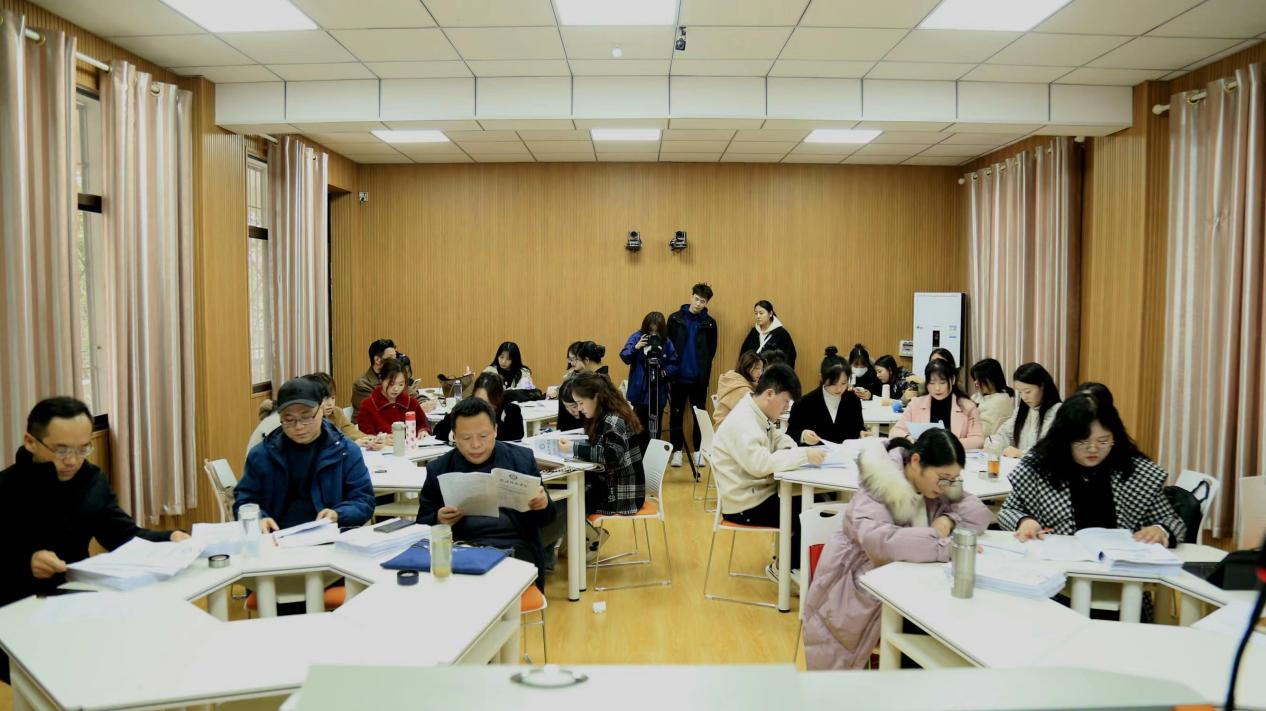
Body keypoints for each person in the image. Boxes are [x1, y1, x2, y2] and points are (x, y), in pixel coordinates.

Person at [802, 431, 991, 669]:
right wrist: (941, 546)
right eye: (943, 478)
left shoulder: (936, 487)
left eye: (953, 480)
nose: (946, 487)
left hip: (910, 582)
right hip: (856, 586)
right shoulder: (879, 485)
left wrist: (949, 519)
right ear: (916, 462)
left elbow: (978, 516)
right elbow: (881, 541)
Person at [0, 398, 190, 611]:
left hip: (74, 598)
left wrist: (169, 537)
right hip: (13, 607)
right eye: (61, 450)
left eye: (83, 449)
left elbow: (122, 535)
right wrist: (26, 563)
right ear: (30, 442)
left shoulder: (91, 480)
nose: (72, 461)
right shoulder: (5, 487)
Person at [998, 392, 1185, 546]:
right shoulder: (1041, 466)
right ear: (1064, 439)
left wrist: (1160, 530)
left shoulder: (1134, 470)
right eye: (1082, 441)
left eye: (1103, 441)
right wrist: (1025, 521)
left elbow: (1172, 521)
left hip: (1121, 568)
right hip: (1059, 564)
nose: (1093, 449)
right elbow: (1008, 510)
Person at [416, 397, 555, 589]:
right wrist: (439, 519)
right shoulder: (439, 469)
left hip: (515, 548)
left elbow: (548, 519)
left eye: (483, 436)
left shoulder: (521, 459)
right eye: (466, 438)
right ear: (454, 436)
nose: (475, 445)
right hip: (462, 550)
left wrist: (543, 504)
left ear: (495, 430)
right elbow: (421, 524)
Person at [711, 364, 827, 580]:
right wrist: (803, 455)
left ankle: (792, 565)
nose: (786, 408)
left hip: (755, 493)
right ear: (770, 394)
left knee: (819, 502)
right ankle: (786, 568)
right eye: (785, 402)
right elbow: (760, 465)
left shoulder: (756, 412)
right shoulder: (744, 421)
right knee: (811, 512)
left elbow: (777, 438)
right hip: (744, 505)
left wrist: (793, 448)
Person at [234, 378, 376, 533]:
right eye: (289, 420)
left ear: (321, 410)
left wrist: (338, 514)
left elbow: (364, 501)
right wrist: (259, 519)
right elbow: (244, 500)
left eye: (306, 417)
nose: (299, 426)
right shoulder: (262, 455)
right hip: (276, 538)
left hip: (331, 538)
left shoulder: (345, 451)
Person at [557, 372, 646, 517]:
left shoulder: (613, 420)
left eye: (581, 403)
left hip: (621, 496)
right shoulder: (604, 416)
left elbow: (610, 456)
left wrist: (574, 448)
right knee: (569, 499)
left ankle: (581, 531)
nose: (579, 408)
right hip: (614, 487)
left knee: (567, 505)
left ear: (596, 397)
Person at [246, 372, 378, 460]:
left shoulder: (333, 417)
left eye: (332, 398)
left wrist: (372, 439)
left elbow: (350, 432)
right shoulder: (274, 430)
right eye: (289, 419)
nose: (329, 403)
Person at [667, 283, 718, 468]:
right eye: (696, 299)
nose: (698, 304)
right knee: (676, 415)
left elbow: (711, 350)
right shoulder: (675, 319)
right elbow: (668, 345)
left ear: (706, 303)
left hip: (698, 379)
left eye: (702, 301)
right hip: (678, 377)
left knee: (699, 415)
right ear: (691, 297)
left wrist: (702, 369)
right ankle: (677, 452)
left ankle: (698, 451)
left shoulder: (710, 323)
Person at [889, 359, 984, 449]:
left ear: (953, 380)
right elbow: (895, 432)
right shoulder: (915, 404)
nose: (937, 388)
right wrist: (909, 439)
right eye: (932, 383)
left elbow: (978, 440)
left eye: (942, 383)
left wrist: (948, 443)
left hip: (955, 457)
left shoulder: (968, 406)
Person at [620, 311, 679, 447]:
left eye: (656, 330)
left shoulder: (666, 341)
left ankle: (653, 456)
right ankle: (639, 457)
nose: (653, 333)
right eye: (650, 330)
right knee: (638, 429)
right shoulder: (637, 337)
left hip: (658, 392)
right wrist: (636, 347)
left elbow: (675, 363)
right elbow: (624, 356)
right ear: (645, 327)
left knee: (655, 429)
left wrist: (664, 372)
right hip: (640, 393)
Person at [787, 348, 866, 445]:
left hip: (846, 453)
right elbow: (790, 434)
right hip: (815, 454)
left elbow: (858, 427)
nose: (839, 389)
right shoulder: (804, 403)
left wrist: (862, 433)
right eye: (833, 384)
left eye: (843, 383)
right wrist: (803, 436)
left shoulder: (853, 401)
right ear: (822, 378)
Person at [986, 362, 1062, 457]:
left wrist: (1022, 454)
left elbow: (1051, 449)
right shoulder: (1021, 411)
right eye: (1020, 392)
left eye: (1027, 391)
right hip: (1020, 464)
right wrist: (995, 443)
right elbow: (1005, 434)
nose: (1023, 397)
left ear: (1042, 386)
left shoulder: (1058, 411)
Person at [433, 372, 525, 443]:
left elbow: (516, 436)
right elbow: (438, 430)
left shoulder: (510, 409)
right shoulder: (467, 405)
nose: (480, 405)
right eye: (478, 400)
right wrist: (456, 435)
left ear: (497, 398)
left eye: (487, 402)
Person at [357, 358, 433, 437]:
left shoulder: (411, 403)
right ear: (381, 379)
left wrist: (423, 431)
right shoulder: (367, 406)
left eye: (401, 384)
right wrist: (381, 439)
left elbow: (423, 425)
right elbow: (365, 437)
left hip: (410, 444)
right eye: (391, 384)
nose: (396, 389)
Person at [556, 341, 607, 432]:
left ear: (586, 360)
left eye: (576, 359)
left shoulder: (596, 382)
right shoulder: (599, 378)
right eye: (570, 359)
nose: (573, 363)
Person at [713, 350, 765, 426]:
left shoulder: (733, 379)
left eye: (762, 369)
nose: (760, 373)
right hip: (728, 429)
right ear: (747, 367)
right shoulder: (742, 389)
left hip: (723, 426)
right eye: (757, 368)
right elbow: (755, 415)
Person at [351, 338, 397, 422]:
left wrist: (422, 402)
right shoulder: (362, 385)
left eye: (395, 357)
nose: (395, 362)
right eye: (391, 358)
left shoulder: (394, 377)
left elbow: (412, 394)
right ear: (377, 360)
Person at [740, 300, 797, 368]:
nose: (758, 316)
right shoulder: (754, 332)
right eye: (756, 313)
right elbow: (744, 354)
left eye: (761, 313)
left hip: (772, 373)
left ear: (770, 313)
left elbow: (789, 357)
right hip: (753, 373)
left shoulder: (781, 334)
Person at [969, 358, 1016, 439]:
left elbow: (983, 432)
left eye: (979, 379)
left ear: (992, 378)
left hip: (986, 443)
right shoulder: (977, 396)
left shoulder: (999, 402)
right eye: (975, 379)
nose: (975, 382)